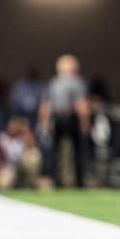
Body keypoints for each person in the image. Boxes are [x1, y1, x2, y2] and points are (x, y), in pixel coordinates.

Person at [39, 54, 91, 187]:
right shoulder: (77, 82)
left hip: (57, 118)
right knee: (78, 151)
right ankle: (79, 181)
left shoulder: (54, 82)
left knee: (55, 151)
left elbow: (46, 105)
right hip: (71, 118)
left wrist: (43, 123)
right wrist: (85, 123)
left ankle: (56, 180)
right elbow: (81, 105)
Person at [0, 116, 42, 189]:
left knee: (34, 155)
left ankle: (30, 183)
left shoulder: (22, 136)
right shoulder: (2, 138)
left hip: (22, 165)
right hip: (9, 167)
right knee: (2, 183)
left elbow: (32, 146)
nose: (12, 127)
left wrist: (25, 130)